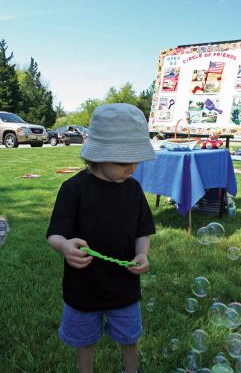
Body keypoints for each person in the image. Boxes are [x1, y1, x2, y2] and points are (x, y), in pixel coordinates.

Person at [46, 103, 156, 373]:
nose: (131, 168)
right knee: (85, 341)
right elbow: (55, 234)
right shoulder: (74, 189)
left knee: (130, 338)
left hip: (124, 287)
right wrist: (64, 246)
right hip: (83, 287)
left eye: (135, 161)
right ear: (98, 155)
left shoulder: (133, 189)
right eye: (123, 161)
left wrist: (142, 253)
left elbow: (143, 229)